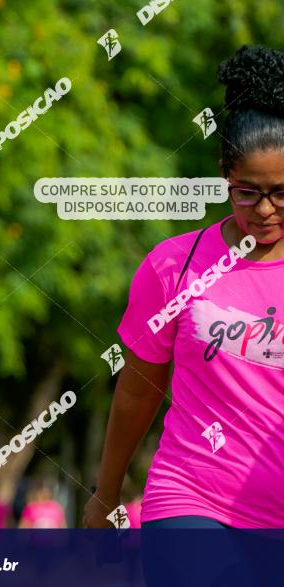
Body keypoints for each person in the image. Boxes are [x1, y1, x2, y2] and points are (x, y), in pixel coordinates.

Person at [85, 45, 284, 530]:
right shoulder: (175, 265)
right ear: (224, 175)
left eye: (281, 192)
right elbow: (137, 392)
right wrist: (105, 493)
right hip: (191, 496)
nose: (263, 209)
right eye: (247, 192)